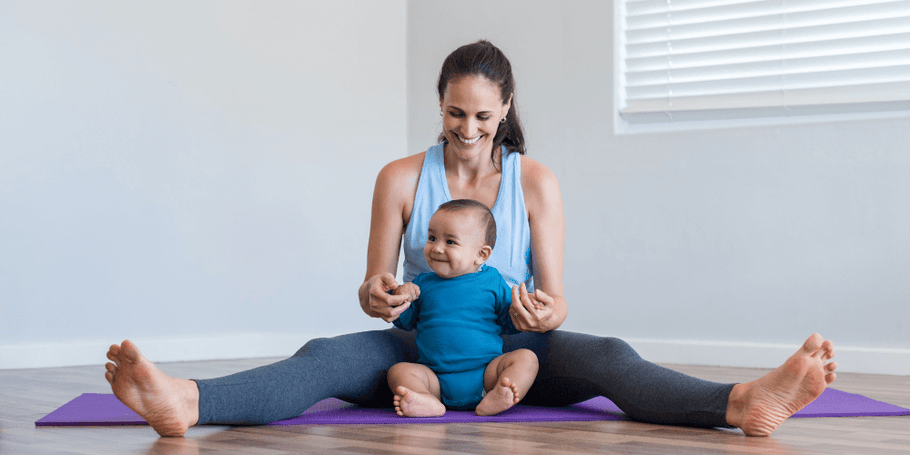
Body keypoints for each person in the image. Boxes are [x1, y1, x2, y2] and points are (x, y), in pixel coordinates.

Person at [104, 39, 837, 438]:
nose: (469, 130)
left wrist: (543, 315)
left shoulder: (536, 181)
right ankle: (187, 402)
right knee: (323, 356)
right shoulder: (398, 177)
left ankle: (743, 403)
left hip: (512, 353)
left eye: (483, 116)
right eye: (457, 114)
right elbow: (372, 291)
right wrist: (377, 294)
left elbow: (554, 300)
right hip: (419, 347)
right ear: (441, 106)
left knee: (611, 356)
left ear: (505, 107)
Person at [388, 199, 539, 417]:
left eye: (450, 242)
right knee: (398, 371)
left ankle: (500, 394)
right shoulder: (422, 283)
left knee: (527, 358)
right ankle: (426, 400)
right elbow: (404, 322)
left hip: (487, 374)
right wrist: (400, 296)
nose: (437, 247)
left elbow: (510, 323)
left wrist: (521, 310)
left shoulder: (493, 281)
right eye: (432, 238)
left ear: (482, 254)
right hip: (434, 378)